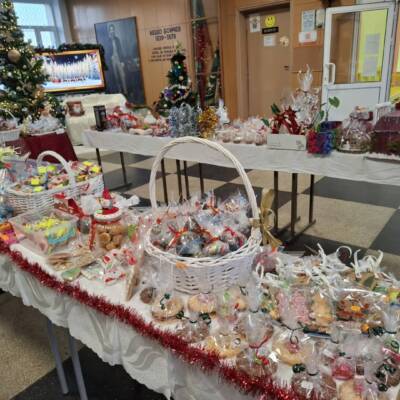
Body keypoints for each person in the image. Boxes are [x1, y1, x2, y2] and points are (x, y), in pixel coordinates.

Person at [107, 23, 128, 94]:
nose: (112, 31)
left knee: (123, 75)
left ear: (114, 31)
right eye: (110, 30)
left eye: (113, 30)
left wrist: (122, 61)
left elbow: (121, 51)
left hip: (119, 59)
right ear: (109, 31)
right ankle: (119, 92)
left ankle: (125, 92)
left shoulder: (117, 39)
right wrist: (110, 56)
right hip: (112, 61)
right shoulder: (107, 41)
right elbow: (106, 52)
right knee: (116, 77)